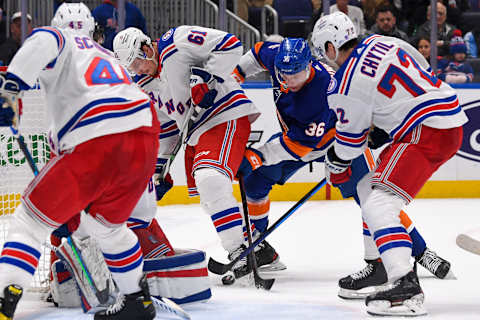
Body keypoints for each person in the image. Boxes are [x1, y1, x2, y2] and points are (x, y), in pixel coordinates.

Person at [233, 37, 452, 297]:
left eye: (296, 75)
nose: (288, 81)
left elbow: (300, 145)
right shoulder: (279, 55)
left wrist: (259, 155)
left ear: (309, 66)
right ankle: (258, 247)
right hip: (295, 136)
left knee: (370, 197)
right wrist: (233, 78)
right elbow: (256, 53)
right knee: (255, 181)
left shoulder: (323, 90)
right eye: (284, 75)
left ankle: (421, 251)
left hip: (338, 142)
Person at [0, 2, 160, 319]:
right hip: (144, 133)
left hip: (97, 135)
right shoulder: (106, 55)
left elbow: (44, 41)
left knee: (29, 222)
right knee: (108, 229)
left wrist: (10, 89)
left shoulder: (59, 39)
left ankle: (4, 297)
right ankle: (137, 301)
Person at [312, 11, 467, 316]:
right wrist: (386, 121)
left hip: (426, 129)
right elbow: (420, 68)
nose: (327, 61)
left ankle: (405, 286)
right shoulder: (380, 41)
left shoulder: (345, 83)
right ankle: (379, 266)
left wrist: (334, 161)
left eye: (324, 54)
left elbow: (348, 145)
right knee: (367, 186)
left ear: (331, 48)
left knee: (378, 206)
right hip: (444, 112)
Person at [113, 26, 260, 281]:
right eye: (131, 67)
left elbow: (231, 44)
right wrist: (159, 169)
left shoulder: (176, 42)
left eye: (137, 62)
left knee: (210, 178)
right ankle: (257, 248)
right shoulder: (145, 85)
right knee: (209, 192)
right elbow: (168, 128)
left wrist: (206, 77)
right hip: (197, 132)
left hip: (223, 113)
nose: (137, 70)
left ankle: (241, 252)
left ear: (147, 48)